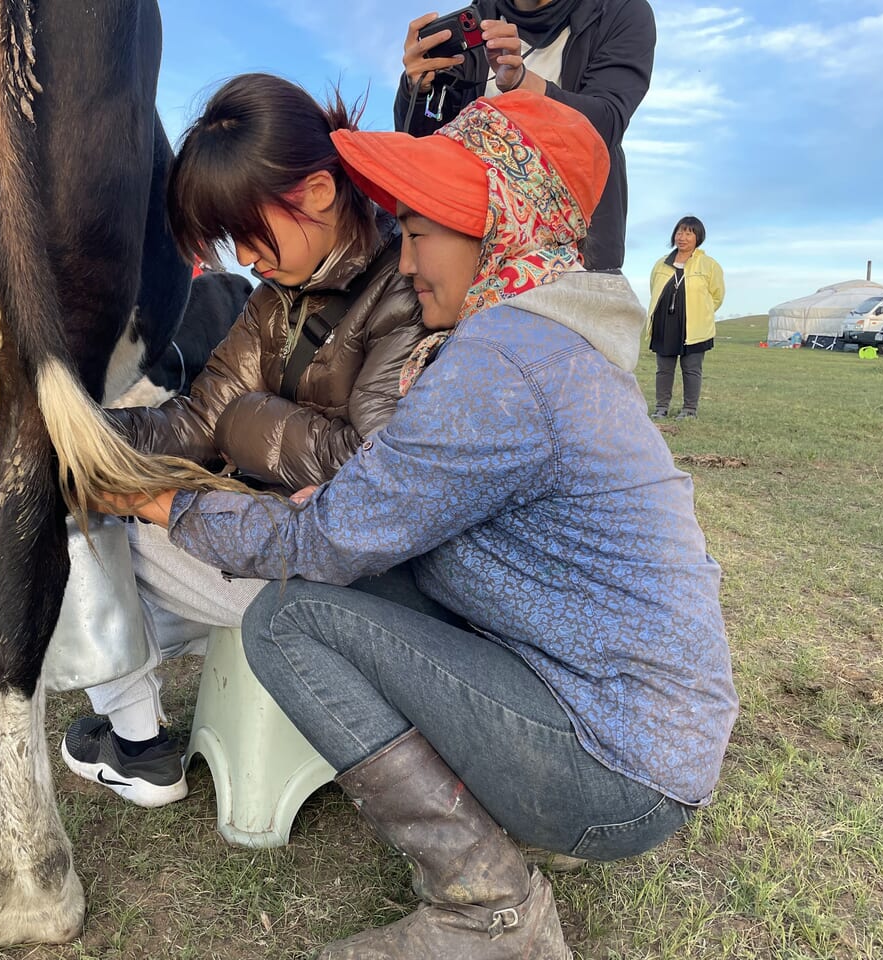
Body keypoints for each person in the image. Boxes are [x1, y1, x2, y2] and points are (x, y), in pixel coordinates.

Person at [91, 91, 737, 957]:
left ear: (498, 231)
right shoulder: (536, 342)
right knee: (362, 580)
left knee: (289, 619)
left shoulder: (500, 364)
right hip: (613, 718)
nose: (408, 256)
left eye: (426, 231)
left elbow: (321, 543)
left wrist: (161, 503)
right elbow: (366, 513)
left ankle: (492, 913)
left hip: (618, 767)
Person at [39, 73, 428, 808]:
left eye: (250, 233)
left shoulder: (406, 288)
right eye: (231, 240)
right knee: (66, 484)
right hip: (266, 537)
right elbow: (193, 423)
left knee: (72, 535)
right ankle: (128, 709)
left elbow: (378, 477)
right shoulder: (276, 296)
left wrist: (247, 423)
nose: (246, 258)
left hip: (335, 568)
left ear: (316, 193)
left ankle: (137, 743)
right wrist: (69, 432)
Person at [394, 0, 655, 273]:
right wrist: (416, 88)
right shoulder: (474, 21)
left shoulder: (621, 11)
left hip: (578, 258)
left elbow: (606, 123)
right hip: (472, 257)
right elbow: (423, 147)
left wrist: (522, 82)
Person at [647, 215, 725, 419]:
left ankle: (689, 410)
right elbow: (653, 289)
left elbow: (717, 296)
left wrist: (702, 313)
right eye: (679, 232)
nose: (682, 237)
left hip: (695, 325)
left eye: (688, 233)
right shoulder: (661, 264)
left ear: (698, 237)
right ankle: (661, 408)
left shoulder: (709, 265)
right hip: (665, 322)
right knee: (664, 369)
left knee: (691, 369)